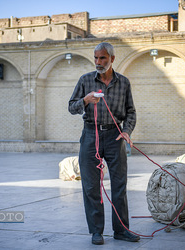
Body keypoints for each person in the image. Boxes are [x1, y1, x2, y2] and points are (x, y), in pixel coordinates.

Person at [68, 42, 139, 245]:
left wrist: (126, 131)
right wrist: (85, 101)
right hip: (91, 136)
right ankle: (96, 231)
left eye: (103, 58)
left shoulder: (124, 83)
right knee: (91, 186)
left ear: (112, 59)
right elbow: (71, 107)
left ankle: (121, 230)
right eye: (96, 58)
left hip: (115, 137)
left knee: (119, 186)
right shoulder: (85, 80)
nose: (98, 62)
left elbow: (131, 112)